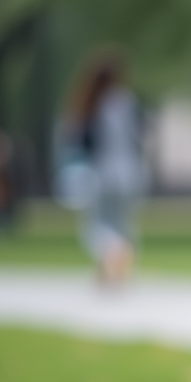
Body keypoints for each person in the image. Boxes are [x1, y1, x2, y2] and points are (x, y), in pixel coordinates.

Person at [66, 48, 146, 286]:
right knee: (122, 223)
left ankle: (113, 253)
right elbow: (140, 136)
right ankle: (111, 271)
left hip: (103, 172)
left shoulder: (92, 103)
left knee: (96, 226)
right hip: (131, 172)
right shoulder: (127, 101)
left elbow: (80, 141)